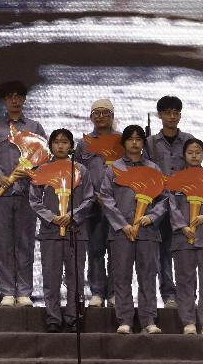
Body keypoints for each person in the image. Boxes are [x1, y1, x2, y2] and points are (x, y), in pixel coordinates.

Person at [0, 80, 46, 307]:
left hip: (27, 193)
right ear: (4, 100)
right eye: (10, 97)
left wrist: (32, 172)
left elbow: (44, 156)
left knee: (25, 242)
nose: (15, 100)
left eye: (19, 96)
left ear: (24, 99)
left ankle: (24, 291)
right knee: (3, 243)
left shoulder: (35, 127)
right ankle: (7, 291)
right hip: (2, 193)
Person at [99, 124, 167, 334]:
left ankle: (149, 320)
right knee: (121, 277)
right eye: (130, 139)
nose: (135, 143)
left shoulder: (153, 168)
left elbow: (164, 198)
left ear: (144, 143)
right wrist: (122, 224)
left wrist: (151, 217)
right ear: (124, 143)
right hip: (121, 232)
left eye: (139, 139)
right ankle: (125, 320)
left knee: (148, 276)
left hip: (147, 232)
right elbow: (106, 198)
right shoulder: (114, 168)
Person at [30, 129, 94, 333]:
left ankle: (73, 317)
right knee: (51, 277)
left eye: (65, 142)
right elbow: (34, 200)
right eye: (56, 142)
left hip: (76, 232)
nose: (60, 145)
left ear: (71, 146)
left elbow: (89, 198)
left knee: (75, 277)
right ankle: (53, 318)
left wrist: (73, 215)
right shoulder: (42, 170)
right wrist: (52, 217)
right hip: (51, 232)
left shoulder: (81, 170)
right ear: (50, 146)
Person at [168, 138, 203, 335]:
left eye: (198, 152)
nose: (194, 155)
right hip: (182, 238)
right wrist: (182, 226)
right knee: (184, 280)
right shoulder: (175, 179)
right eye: (190, 152)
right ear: (184, 155)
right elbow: (171, 206)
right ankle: (188, 321)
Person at [144, 95, 193, 309]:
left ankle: (188, 295)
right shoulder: (149, 143)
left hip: (183, 205)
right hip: (159, 204)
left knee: (185, 251)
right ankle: (168, 294)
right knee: (163, 251)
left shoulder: (189, 140)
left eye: (176, 113)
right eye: (167, 112)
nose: (172, 116)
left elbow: (195, 169)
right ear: (160, 115)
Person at [73, 98, 122, 307]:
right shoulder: (84, 143)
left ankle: (115, 292)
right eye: (97, 113)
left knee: (117, 250)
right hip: (92, 205)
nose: (101, 117)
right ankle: (97, 292)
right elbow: (76, 172)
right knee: (95, 250)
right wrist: (90, 195)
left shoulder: (122, 140)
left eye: (105, 113)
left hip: (118, 206)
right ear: (91, 117)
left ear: (112, 116)